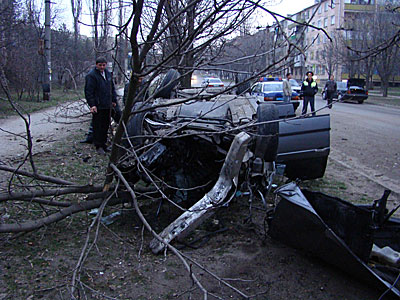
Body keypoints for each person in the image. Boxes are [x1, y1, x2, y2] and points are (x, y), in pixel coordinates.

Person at [84, 57, 118, 154]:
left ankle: (103, 144)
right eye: (100, 65)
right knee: (97, 126)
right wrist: (92, 105)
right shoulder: (91, 76)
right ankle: (98, 145)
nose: (102, 67)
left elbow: (112, 87)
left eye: (104, 65)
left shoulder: (107, 73)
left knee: (105, 125)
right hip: (98, 105)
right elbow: (89, 92)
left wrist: (113, 100)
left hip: (107, 104)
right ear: (96, 65)